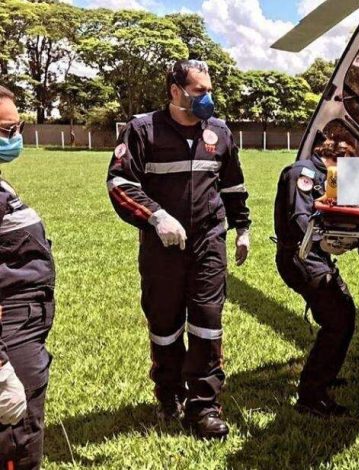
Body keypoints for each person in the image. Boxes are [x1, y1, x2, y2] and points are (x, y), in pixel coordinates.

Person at [106, 60, 251, 439]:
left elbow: (233, 184)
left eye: (209, 90)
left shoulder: (219, 132)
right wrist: (155, 217)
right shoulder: (142, 130)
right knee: (165, 324)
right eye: (199, 91)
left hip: (208, 242)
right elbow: (120, 183)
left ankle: (204, 406)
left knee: (206, 320)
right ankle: (169, 395)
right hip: (162, 246)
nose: (208, 98)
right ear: (175, 91)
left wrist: (242, 228)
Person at [273, 139, 356, 417]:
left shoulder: (321, 176)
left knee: (342, 315)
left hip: (312, 257)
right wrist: (327, 239)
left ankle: (324, 376)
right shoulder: (303, 174)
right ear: (339, 159)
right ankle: (311, 394)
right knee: (338, 321)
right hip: (302, 257)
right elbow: (300, 219)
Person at [0, 85, 56, 469]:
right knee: (15, 441)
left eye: (16, 126)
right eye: (5, 130)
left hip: (22, 327)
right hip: (8, 334)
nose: (14, 137)